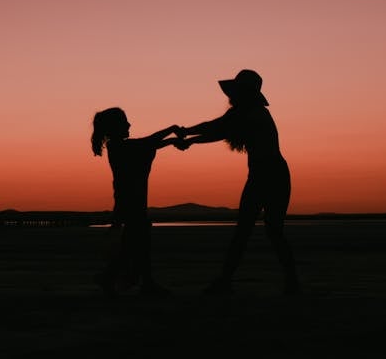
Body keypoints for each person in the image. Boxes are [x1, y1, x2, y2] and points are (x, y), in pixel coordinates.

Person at [176, 69, 300, 296]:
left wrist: (189, 137)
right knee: (269, 231)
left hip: (268, 175)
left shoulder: (252, 114)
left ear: (243, 93)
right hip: (272, 174)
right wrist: (189, 134)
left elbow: (218, 130)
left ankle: (228, 282)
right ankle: (290, 283)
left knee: (252, 231)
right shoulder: (249, 112)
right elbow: (217, 127)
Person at [90, 107, 186, 298]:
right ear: (116, 127)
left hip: (131, 203)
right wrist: (173, 130)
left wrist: (173, 138)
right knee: (136, 244)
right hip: (130, 204)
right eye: (125, 122)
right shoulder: (119, 147)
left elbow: (148, 144)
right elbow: (148, 142)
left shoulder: (121, 147)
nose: (129, 124)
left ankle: (133, 281)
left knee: (137, 244)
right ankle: (117, 279)